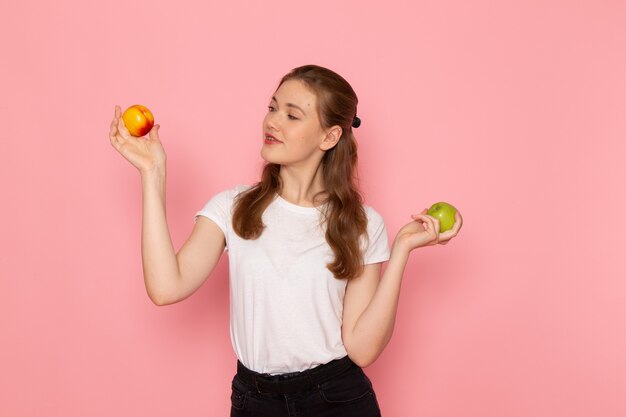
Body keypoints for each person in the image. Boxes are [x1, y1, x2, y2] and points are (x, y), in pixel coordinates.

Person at [109, 64, 463, 416]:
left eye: (292, 115)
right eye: (272, 107)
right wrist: (152, 173)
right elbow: (165, 288)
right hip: (254, 400)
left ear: (329, 137)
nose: (272, 122)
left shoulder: (362, 224)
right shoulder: (233, 206)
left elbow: (362, 349)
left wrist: (401, 249)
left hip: (336, 399)